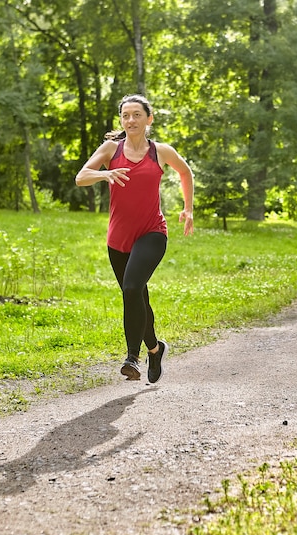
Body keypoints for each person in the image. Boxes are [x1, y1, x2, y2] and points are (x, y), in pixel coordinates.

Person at [75, 94, 194, 383]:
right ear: (121, 120)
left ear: (148, 119)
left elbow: (185, 172)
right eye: (126, 115)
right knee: (137, 295)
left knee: (131, 289)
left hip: (152, 232)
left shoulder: (161, 152)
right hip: (118, 238)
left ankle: (132, 358)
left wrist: (188, 209)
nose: (131, 120)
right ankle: (154, 348)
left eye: (137, 115)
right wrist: (106, 175)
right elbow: (81, 177)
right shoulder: (110, 149)